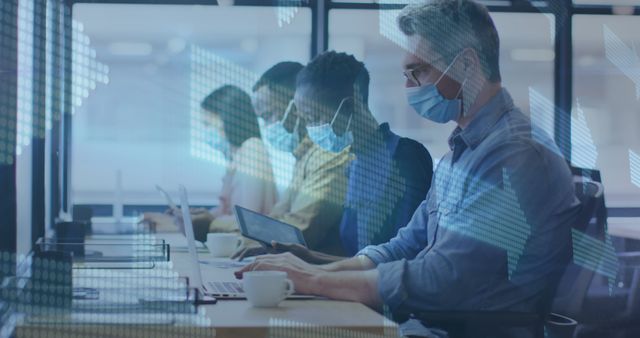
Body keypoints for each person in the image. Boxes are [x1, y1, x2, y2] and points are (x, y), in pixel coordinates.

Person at [236, 1, 579, 337]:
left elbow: (443, 278)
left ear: (467, 65)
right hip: (429, 324)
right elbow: (402, 246)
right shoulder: (459, 155)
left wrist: (314, 279)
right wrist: (307, 267)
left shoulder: (513, 155)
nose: (409, 87)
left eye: (420, 71)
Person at [266, 51, 434, 264]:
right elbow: (359, 259)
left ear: (347, 106)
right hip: (359, 287)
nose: (310, 130)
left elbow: (405, 257)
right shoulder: (354, 163)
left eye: (314, 118)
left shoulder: (404, 157)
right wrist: (305, 258)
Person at [224, 62, 351, 256]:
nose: (267, 127)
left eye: (268, 115)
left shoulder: (328, 154)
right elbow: (275, 219)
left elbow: (297, 232)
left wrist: (217, 227)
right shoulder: (303, 155)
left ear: (296, 106)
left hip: (321, 272)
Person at [145, 85, 277, 242]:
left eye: (208, 125)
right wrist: (178, 221)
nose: (205, 133)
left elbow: (248, 219)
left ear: (228, 119)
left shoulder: (252, 149)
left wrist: (198, 222)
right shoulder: (238, 155)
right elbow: (227, 215)